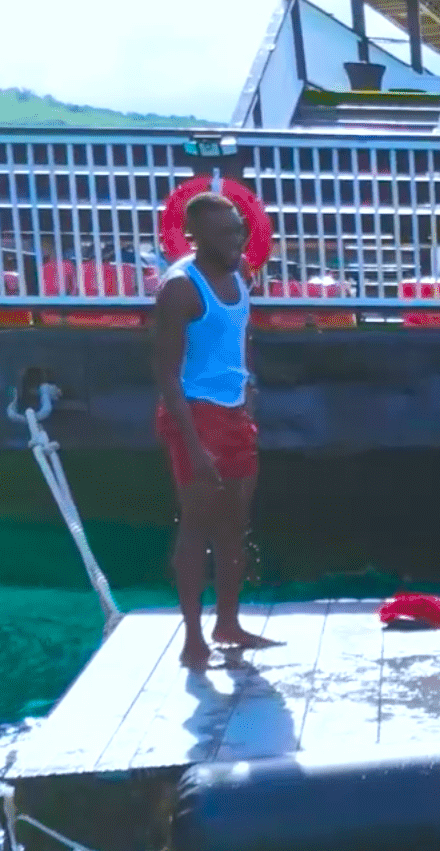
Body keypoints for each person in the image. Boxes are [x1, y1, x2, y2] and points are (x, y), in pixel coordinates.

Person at [152, 192, 274, 671]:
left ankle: (228, 622)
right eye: (223, 233)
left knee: (234, 526)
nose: (235, 240)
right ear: (194, 238)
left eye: (238, 230)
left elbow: (240, 336)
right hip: (194, 413)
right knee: (197, 524)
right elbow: (166, 375)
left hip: (234, 412)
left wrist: (249, 391)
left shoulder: (242, 272)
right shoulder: (180, 288)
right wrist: (193, 444)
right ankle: (192, 637)